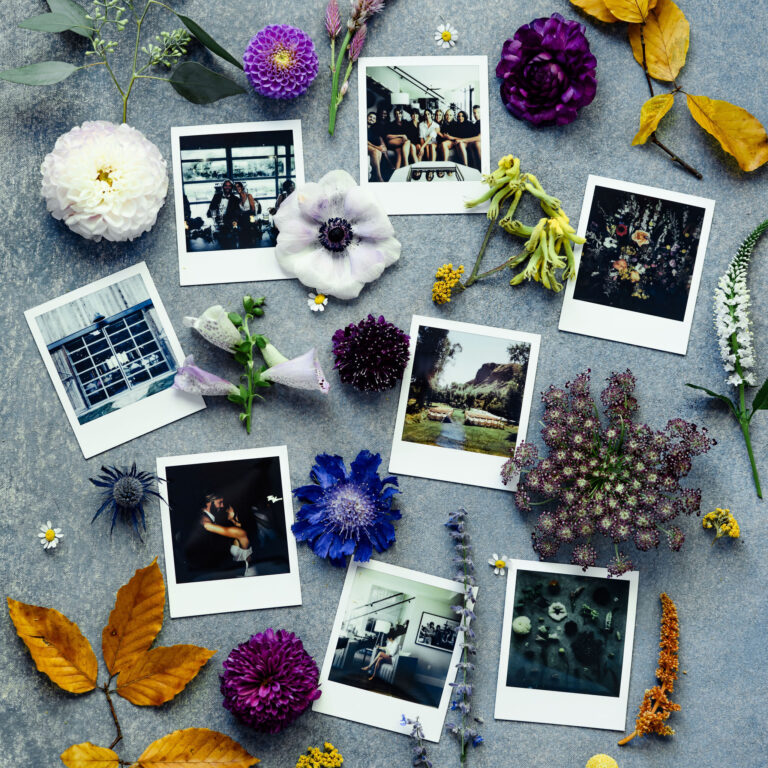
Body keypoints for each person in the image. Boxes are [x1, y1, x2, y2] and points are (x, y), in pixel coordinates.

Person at [200, 503, 256, 577]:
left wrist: (202, 517)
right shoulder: (233, 527)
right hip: (239, 572)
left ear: (237, 511)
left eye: (229, 508)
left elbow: (207, 526)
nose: (226, 510)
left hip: (247, 574)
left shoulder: (240, 532)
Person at [206, 179, 239, 249]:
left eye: (229, 186)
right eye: (226, 186)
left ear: (232, 188)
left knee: (229, 244)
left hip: (229, 226)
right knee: (215, 246)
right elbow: (209, 211)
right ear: (223, 187)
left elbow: (236, 215)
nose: (227, 187)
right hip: (217, 224)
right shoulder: (216, 196)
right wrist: (214, 216)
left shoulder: (236, 199)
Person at [234, 181, 261, 247]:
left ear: (242, 187)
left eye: (238, 186)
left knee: (251, 241)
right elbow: (238, 212)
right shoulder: (238, 199)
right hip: (242, 222)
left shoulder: (249, 196)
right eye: (236, 187)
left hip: (249, 220)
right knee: (242, 242)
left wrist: (253, 223)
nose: (237, 188)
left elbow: (253, 210)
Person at [366, 111, 389, 182]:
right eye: (370, 117)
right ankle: (379, 177)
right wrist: (376, 147)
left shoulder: (374, 129)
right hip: (364, 145)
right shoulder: (363, 127)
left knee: (378, 152)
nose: (372, 119)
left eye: (374, 118)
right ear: (367, 117)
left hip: (370, 146)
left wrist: (381, 147)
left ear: (375, 121)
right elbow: (364, 140)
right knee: (376, 151)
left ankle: (375, 175)